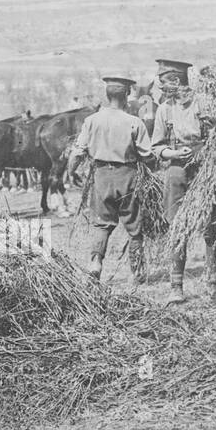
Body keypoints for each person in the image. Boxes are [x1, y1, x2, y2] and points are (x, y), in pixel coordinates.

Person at [149, 59, 216, 304]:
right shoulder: (164, 109)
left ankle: (214, 284)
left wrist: (205, 148)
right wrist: (173, 154)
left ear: (176, 80)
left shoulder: (204, 103)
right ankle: (176, 287)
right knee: (177, 227)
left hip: (205, 169)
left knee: (212, 225)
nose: (161, 87)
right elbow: (156, 147)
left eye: (164, 82)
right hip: (177, 172)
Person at [65, 75, 157, 283]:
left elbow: (78, 153)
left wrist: (71, 173)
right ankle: (137, 273)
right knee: (134, 225)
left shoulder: (91, 121)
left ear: (107, 95)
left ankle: (95, 263)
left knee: (102, 224)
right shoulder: (135, 122)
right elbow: (146, 155)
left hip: (101, 177)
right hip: (128, 177)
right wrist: (155, 166)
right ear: (126, 95)